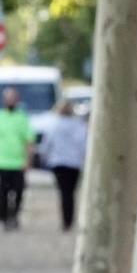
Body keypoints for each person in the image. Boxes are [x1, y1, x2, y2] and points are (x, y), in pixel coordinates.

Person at [0, 87, 36, 230]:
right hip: (1, 162)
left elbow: (29, 141)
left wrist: (28, 161)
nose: (10, 100)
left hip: (18, 163)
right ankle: (5, 217)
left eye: (13, 98)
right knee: (3, 193)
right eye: (8, 98)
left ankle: (14, 215)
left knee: (18, 192)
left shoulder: (22, 118)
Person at [41, 99, 89, 231]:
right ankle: (69, 219)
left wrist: (44, 157)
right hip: (74, 163)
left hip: (58, 162)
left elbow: (46, 144)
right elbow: (84, 144)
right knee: (71, 192)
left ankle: (65, 220)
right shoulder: (79, 125)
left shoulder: (53, 125)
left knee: (63, 192)